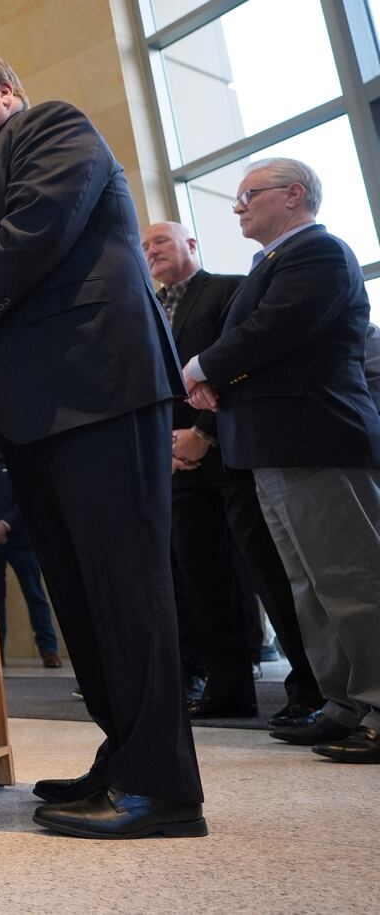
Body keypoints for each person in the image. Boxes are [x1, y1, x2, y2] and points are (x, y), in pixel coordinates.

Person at [0, 49, 203, 839]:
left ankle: (164, 787)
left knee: (125, 589)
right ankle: (124, 755)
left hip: (96, 386)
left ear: (7, 91)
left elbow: (37, 227)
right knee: (84, 602)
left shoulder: (52, 125)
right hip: (30, 418)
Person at [186, 158, 380, 763]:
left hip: (317, 439)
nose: (238, 206)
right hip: (272, 445)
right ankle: (344, 702)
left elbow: (274, 329)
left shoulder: (318, 253)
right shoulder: (268, 263)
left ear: (293, 195)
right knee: (310, 586)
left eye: (248, 195)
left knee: (351, 580)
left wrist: (203, 367)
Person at [143, 220, 321, 724]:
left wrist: (203, 432)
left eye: (160, 240)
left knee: (267, 572)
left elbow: (239, 363)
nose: (150, 250)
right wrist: (169, 446)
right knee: (202, 577)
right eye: (144, 246)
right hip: (178, 464)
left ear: (190, 245)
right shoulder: (150, 311)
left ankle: (310, 687)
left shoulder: (228, 291)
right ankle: (227, 687)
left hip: (229, 453)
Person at [0, 463, 59, 667]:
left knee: (34, 594)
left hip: (20, 540)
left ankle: (48, 649)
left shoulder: (16, 464)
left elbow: (28, 497)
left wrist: (5, 525)